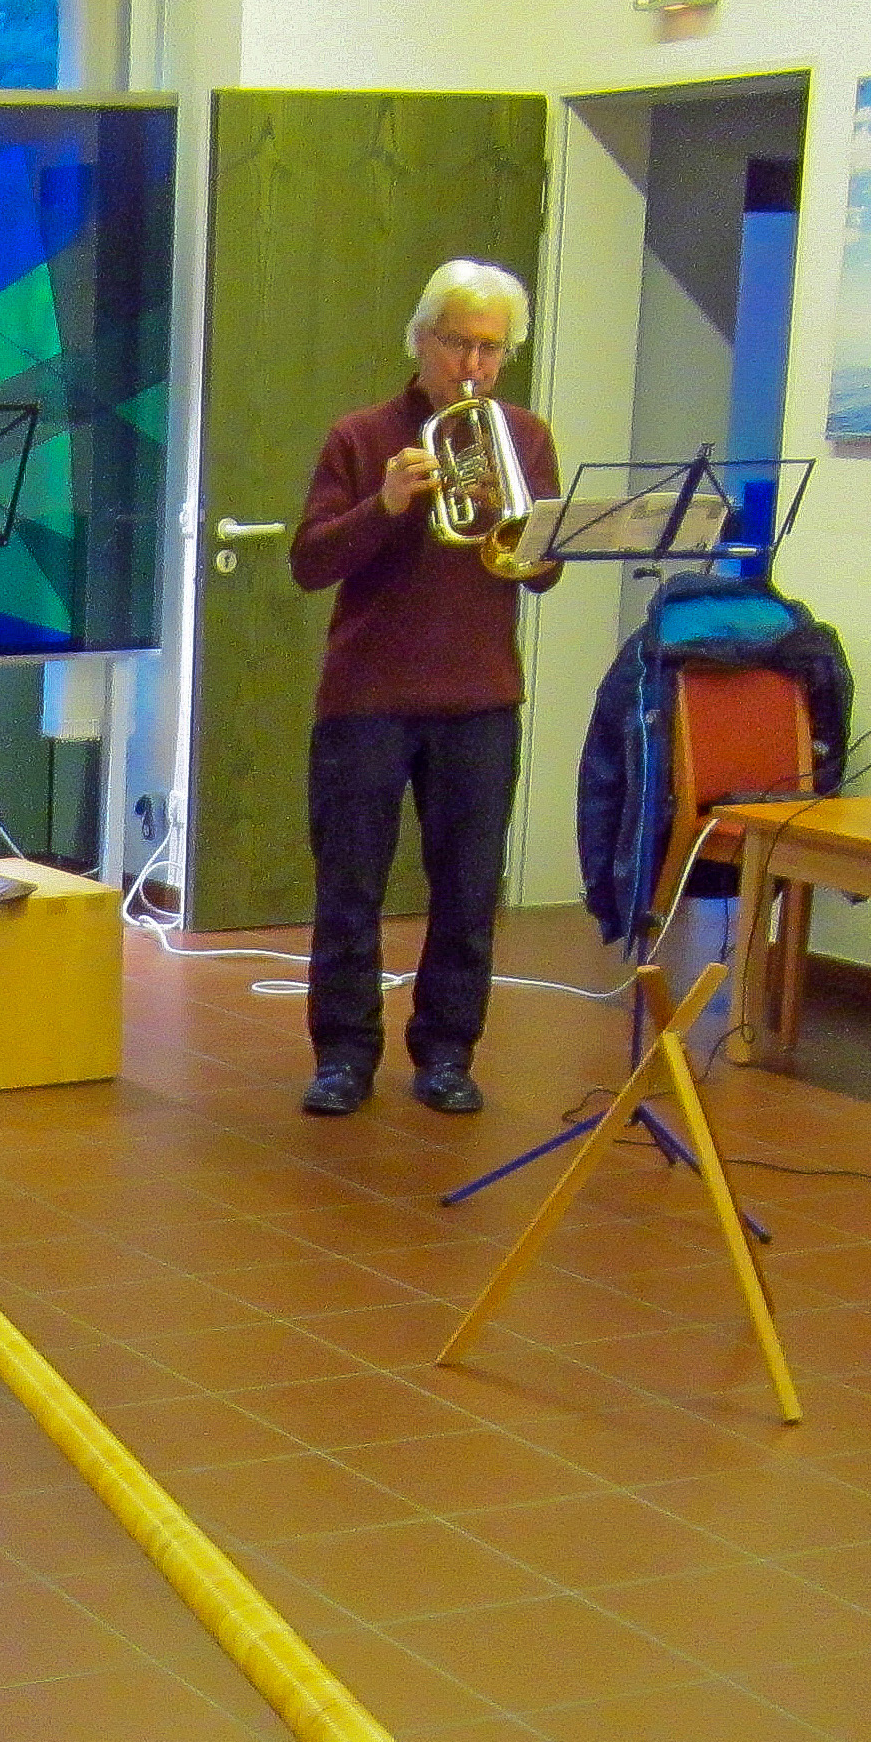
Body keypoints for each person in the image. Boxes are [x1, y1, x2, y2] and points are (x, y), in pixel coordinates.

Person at [287, 258, 562, 1119]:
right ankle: (342, 1056)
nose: (472, 366)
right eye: (457, 344)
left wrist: (546, 547)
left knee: (469, 886)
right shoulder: (361, 436)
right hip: (367, 696)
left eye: (490, 348)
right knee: (350, 884)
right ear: (420, 340)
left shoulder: (523, 437)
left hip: (480, 695)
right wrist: (386, 504)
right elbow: (309, 563)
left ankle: (446, 1052)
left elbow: (537, 569)